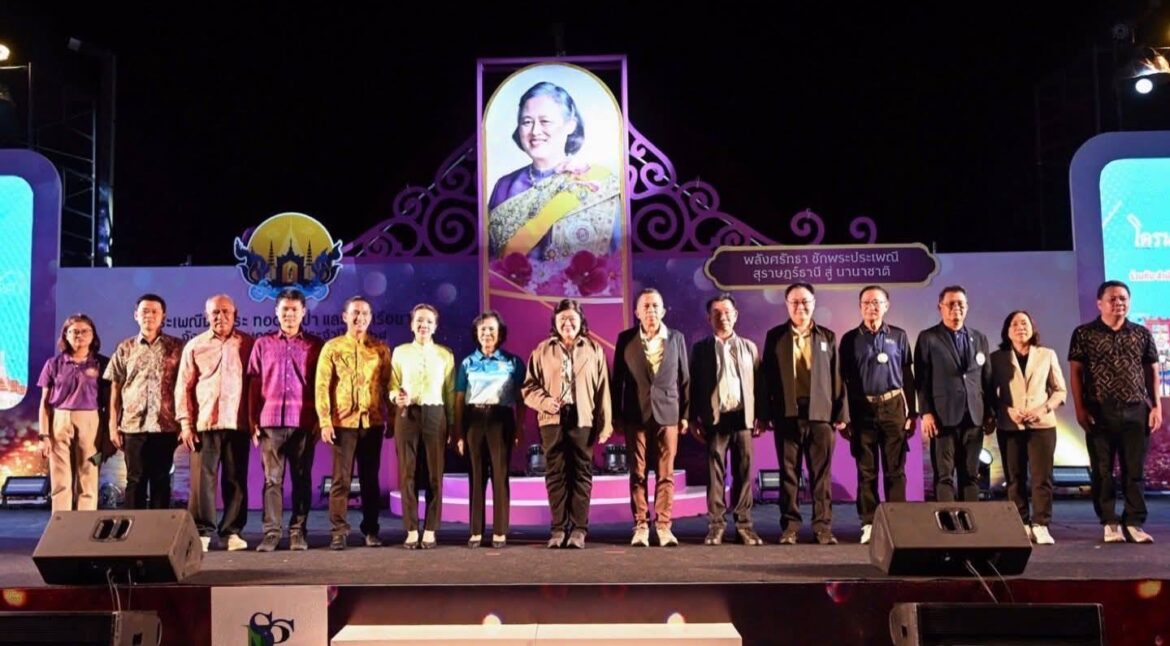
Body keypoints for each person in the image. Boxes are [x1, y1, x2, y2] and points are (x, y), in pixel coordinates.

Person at [487, 81, 620, 267]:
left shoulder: (596, 182)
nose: (535, 131)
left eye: (545, 121)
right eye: (527, 122)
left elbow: (618, 260)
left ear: (570, 125)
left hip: (578, 286)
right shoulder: (504, 186)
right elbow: (490, 261)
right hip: (510, 286)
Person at [1068, 280, 1162, 544]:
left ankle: (1134, 522)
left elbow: (1151, 371)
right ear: (1100, 303)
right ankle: (1109, 521)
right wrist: (1080, 408)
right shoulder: (1084, 333)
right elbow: (1076, 373)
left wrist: (1156, 406)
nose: (1119, 303)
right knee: (1102, 470)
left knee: (1135, 470)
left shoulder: (1141, 333)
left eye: (1123, 298)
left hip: (1136, 410)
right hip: (1099, 411)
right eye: (1113, 298)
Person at [760, 283, 848, 545]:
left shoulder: (827, 336)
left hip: (821, 415)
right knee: (789, 474)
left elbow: (837, 377)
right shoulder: (775, 336)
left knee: (821, 476)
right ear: (787, 305)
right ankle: (790, 527)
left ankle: (823, 527)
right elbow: (766, 378)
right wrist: (765, 414)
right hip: (787, 414)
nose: (800, 306)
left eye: (805, 301)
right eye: (795, 302)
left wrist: (840, 412)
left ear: (814, 303)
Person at [521, 299, 613, 549]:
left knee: (582, 473)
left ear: (581, 321)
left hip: (583, 418)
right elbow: (528, 388)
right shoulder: (542, 350)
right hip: (552, 420)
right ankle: (559, 529)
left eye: (572, 318)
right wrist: (545, 402)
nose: (568, 323)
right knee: (555, 474)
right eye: (562, 319)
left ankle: (579, 530)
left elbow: (603, 389)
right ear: (555, 323)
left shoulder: (594, 349)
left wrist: (605, 424)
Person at [838, 286, 917, 545]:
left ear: (886, 306)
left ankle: (897, 522)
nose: (872, 307)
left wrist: (912, 412)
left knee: (896, 469)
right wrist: (844, 416)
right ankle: (869, 522)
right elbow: (842, 380)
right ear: (860, 307)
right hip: (862, 409)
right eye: (866, 302)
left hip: (893, 407)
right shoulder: (850, 339)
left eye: (877, 302)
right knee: (866, 470)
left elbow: (907, 376)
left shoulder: (899, 336)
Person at [612, 288, 690, 547]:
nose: (651, 311)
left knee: (666, 474)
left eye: (655, 306)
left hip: (668, 415)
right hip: (635, 415)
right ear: (637, 312)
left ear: (663, 310)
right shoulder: (625, 339)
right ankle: (641, 525)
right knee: (638, 473)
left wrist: (685, 415)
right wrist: (616, 416)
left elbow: (685, 379)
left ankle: (664, 525)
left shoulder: (676, 338)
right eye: (645, 306)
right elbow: (617, 381)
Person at [247, 289, 324, 552]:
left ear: (303, 313)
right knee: (272, 481)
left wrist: (321, 419)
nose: (289, 314)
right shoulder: (262, 344)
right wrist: (252, 420)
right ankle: (271, 533)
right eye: (284, 310)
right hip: (269, 423)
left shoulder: (315, 345)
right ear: (276, 313)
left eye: (294, 310)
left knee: (302, 479)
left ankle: (298, 532)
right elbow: (253, 384)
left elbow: (322, 386)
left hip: (303, 422)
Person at [176, 294, 254, 552]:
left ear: (235, 314)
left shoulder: (248, 343)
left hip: (237, 422)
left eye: (225, 311)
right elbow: (183, 387)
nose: (220, 317)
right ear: (206, 316)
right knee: (202, 482)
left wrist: (255, 421)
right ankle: (202, 532)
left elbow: (256, 385)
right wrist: (185, 424)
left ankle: (231, 532)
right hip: (204, 424)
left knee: (236, 479)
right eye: (215, 313)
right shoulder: (195, 345)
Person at [315, 295, 393, 551]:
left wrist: (392, 417)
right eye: (355, 313)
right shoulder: (333, 347)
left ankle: (371, 530)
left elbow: (387, 385)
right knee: (341, 480)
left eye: (365, 313)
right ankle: (338, 531)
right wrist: (325, 421)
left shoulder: (380, 349)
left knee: (371, 479)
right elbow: (322, 386)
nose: (360, 318)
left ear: (371, 318)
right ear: (345, 317)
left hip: (372, 423)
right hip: (342, 423)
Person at [689, 293, 764, 546]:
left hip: (743, 418)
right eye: (717, 313)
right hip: (715, 419)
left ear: (736, 315)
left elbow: (759, 385)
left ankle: (744, 526)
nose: (723, 317)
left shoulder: (749, 347)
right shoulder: (700, 349)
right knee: (715, 475)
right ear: (709, 318)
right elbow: (692, 387)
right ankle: (716, 526)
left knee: (744, 472)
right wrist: (692, 419)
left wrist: (761, 416)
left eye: (727, 312)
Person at [989, 310, 1066, 545]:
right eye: (1014, 324)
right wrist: (1007, 410)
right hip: (1010, 425)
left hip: (1042, 424)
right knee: (1015, 477)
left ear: (1032, 328)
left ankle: (1041, 523)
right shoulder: (997, 358)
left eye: (1024, 323)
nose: (1020, 327)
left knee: (1042, 477)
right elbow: (989, 394)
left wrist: (1043, 409)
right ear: (1007, 331)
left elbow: (1059, 391)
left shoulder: (1047, 355)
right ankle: (1020, 522)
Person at [914, 285, 994, 503]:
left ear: (967, 307)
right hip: (942, 417)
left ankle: (971, 521)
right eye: (950, 304)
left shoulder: (979, 338)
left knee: (971, 475)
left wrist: (990, 413)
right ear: (940, 307)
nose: (955, 308)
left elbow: (986, 379)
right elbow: (921, 380)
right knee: (944, 476)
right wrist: (926, 413)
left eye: (960, 304)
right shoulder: (928, 337)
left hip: (974, 417)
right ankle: (948, 521)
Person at [454, 310, 526, 549]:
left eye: (491, 329)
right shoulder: (467, 362)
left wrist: (519, 428)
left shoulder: (513, 362)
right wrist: (458, 432)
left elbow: (521, 399)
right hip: (474, 419)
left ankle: (499, 531)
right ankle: (475, 530)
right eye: (482, 329)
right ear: (476, 333)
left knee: (499, 474)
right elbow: (459, 399)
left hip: (501, 419)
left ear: (500, 333)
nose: (487, 333)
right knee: (476, 475)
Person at [105, 293, 184, 509]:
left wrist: (184, 424)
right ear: (136, 315)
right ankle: (133, 526)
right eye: (144, 311)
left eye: (154, 311)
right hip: (133, 425)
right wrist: (113, 426)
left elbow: (185, 386)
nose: (149, 315)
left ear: (163, 316)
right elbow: (115, 388)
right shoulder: (125, 347)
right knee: (135, 479)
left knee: (161, 480)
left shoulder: (177, 347)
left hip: (165, 425)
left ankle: (158, 527)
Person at [391, 303, 456, 550]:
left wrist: (452, 424)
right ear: (411, 324)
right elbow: (391, 384)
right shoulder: (400, 352)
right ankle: (410, 529)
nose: (423, 325)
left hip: (435, 413)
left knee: (434, 474)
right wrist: (395, 396)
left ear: (435, 326)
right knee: (407, 473)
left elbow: (450, 392)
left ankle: (430, 529)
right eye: (419, 320)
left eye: (429, 321)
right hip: (407, 414)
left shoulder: (445, 354)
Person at [37, 314, 110, 511]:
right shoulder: (53, 364)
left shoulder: (102, 363)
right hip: (59, 421)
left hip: (91, 421)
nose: (80, 335)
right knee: (60, 477)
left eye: (85, 331)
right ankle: (61, 522)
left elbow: (110, 402)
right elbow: (44, 403)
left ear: (93, 335)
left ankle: (85, 522)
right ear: (65, 335)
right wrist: (44, 435)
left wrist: (108, 435)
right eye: (74, 331)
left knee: (89, 474)